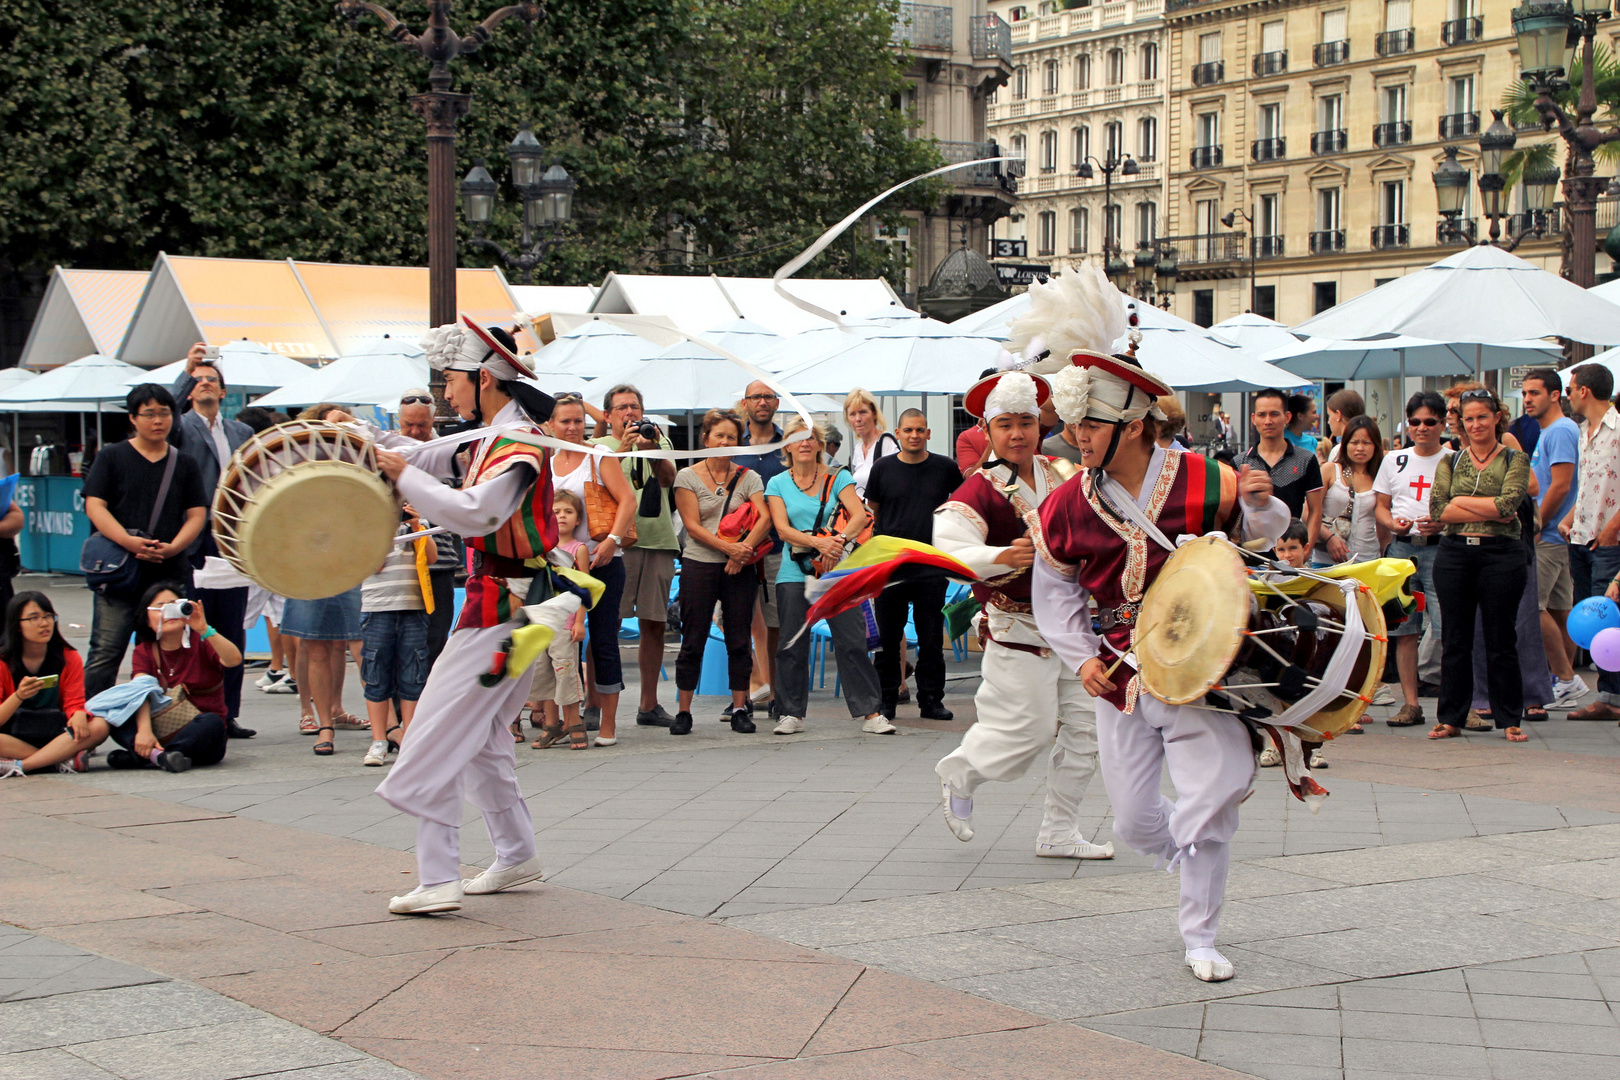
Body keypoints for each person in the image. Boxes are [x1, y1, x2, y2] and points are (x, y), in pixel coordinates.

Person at [1033, 353, 1289, 985]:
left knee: (1210, 797)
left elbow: (1261, 545)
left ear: (1136, 424)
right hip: (1120, 672)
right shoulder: (1065, 503)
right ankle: (1196, 840)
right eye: (1075, 424)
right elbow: (1056, 590)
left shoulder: (1210, 480)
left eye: (1092, 424)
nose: (1079, 437)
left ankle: (1200, 934)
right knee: (1132, 822)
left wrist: (1260, 505)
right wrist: (1082, 658)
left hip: (1204, 664)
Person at [372, 316, 564, 915]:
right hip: (512, 608)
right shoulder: (487, 439)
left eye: (449, 380)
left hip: (507, 612)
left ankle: (437, 876)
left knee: (434, 731)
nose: (443, 392)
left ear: (483, 379)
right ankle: (515, 851)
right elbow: (423, 455)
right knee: (479, 737)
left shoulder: (516, 443)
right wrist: (367, 444)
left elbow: (477, 514)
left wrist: (400, 471)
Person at [933, 371, 1111, 861]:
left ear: (1041, 425)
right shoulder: (977, 490)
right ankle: (961, 772)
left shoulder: (1064, 470)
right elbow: (947, 546)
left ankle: (1059, 829)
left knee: (1087, 731)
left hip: (1076, 632)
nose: (1017, 433)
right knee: (1026, 733)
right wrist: (997, 557)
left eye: (1027, 422)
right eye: (1006, 424)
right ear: (987, 432)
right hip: (1019, 629)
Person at [82, 384, 208, 700]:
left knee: (166, 651)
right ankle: (88, 726)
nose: (158, 421)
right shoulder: (111, 456)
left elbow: (196, 513)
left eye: (164, 413)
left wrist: (175, 547)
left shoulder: (185, 463)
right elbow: (95, 505)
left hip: (168, 574)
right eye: (149, 414)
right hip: (120, 573)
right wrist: (127, 541)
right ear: (133, 418)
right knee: (106, 650)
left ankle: (164, 723)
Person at [766, 418, 890, 736]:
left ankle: (871, 712)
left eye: (811, 438)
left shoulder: (838, 476)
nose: (805, 443)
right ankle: (789, 713)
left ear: (820, 445)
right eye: (798, 438)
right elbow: (782, 529)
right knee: (792, 642)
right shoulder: (777, 483)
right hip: (794, 572)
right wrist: (817, 542)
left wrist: (838, 542)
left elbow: (860, 515)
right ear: (788, 446)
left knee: (852, 640)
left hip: (838, 569)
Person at [1427, 389, 1532, 742]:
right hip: (1455, 553)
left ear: (1497, 417)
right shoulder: (1450, 460)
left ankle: (1509, 718)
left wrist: (1462, 501)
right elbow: (1438, 510)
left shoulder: (1515, 459)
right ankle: (1451, 716)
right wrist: (1477, 505)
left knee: (1500, 637)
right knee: (1455, 639)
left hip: (1501, 555)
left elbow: (1509, 506)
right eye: (1469, 419)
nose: (1475, 425)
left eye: (1482, 417)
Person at [170, 344, 256, 739]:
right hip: (192, 540)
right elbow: (164, 412)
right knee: (193, 630)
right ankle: (193, 710)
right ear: (190, 390)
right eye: (199, 380)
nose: (205, 384)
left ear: (223, 391)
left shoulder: (241, 431)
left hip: (233, 539)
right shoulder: (179, 427)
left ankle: (229, 712)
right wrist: (186, 370)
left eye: (212, 380)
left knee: (231, 630)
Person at [672, 409, 773, 735]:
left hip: (740, 567)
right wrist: (729, 549)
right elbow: (692, 525)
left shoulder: (748, 477)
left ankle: (741, 707)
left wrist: (742, 553)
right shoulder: (687, 476)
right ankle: (684, 710)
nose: (725, 442)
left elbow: (764, 517)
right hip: (700, 564)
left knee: (739, 638)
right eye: (719, 435)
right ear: (706, 439)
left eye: (731, 436)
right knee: (693, 637)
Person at [864, 408, 961, 721]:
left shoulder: (946, 468)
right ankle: (886, 700)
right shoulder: (882, 469)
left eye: (920, 430)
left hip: (931, 565)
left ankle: (931, 700)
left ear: (928, 433)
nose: (914, 436)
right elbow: (874, 510)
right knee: (888, 639)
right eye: (908, 431)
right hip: (891, 565)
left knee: (931, 637)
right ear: (898, 433)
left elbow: (959, 505)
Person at [548, 392, 634, 746]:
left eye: (578, 421)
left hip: (602, 561)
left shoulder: (599, 455)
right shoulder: (547, 461)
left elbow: (628, 498)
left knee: (602, 641)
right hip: (560, 566)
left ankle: (609, 723)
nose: (572, 427)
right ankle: (565, 718)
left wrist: (612, 539)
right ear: (551, 424)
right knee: (560, 642)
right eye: (565, 421)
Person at [592, 384, 679, 729]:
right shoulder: (598, 448)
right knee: (605, 623)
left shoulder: (657, 439)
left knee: (654, 624)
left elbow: (669, 480)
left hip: (656, 540)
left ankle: (649, 703)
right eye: (621, 408)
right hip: (617, 543)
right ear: (607, 415)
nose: (629, 413)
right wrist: (625, 451)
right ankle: (594, 703)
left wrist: (653, 449)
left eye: (634, 407)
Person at [1373, 391, 1448, 728]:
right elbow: (1381, 506)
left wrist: (1445, 521)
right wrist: (1391, 524)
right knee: (1406, 628)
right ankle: (1411, 703)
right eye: (1415, 421)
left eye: (1430, 422)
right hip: (1403, 550)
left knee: (1450, 626)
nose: (1422, 428)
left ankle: (1460, 703)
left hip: (1441, 548)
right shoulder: (1395, 460)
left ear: (1443, 424)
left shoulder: (1454, 459)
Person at [106, 581, 237, 772]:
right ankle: (164, 757)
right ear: (146, 618)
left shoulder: (201, 640)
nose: (169, 612)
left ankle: (150, 757)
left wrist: (205, 629)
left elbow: (233, 660)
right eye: (160, 607)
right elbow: (140, 692)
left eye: (174, 605)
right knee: (115, 717)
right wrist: (144, 731)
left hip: (200, 733)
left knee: (212, 722)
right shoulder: (144, 651)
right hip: (160, 730)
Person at [1521, 368, 1588, 707]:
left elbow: (1561, 484)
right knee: (1562, 610)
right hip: (1558, 534)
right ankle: (1565, 679)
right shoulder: (1553, 430)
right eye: (1524, 393)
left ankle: (1564, 678)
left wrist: (1537, 525)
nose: (1527, 399)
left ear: (1555, 394)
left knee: (1535, 607)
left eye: (1534, 393)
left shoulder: (1560, 430)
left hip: (1549, 534)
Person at [1562, 364, 1620, 722]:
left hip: (1609, 540)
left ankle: (1612, 695)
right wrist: (1569, 520)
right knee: (1593, 617)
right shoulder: (1584, 431)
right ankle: (1609, 692)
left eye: (1570, 389)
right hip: (1582, 537)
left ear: (1584, 390)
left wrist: (1613, 527)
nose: (1568, 395)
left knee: (1608, 619)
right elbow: (1586, 486)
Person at [357, 508, 434, 766]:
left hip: (413, 607)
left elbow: (431, 557)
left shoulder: (418, 524)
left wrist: (414, 527)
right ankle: (379, 739)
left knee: (413, 673)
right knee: (376, 673)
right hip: (377, 608)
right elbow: (373, 565)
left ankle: (411, 738)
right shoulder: (366, 524)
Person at [0, 592, 107, 777]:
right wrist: (18, 696)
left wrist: (78, 714)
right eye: (34, 618)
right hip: (15, 736)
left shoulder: (68, 657)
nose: (44, 623)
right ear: (17, 625)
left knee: (100, 726)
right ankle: (58, 760)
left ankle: (23, 766)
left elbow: (74, 702)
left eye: (49, 616)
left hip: (56, 733)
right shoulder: (3, 662)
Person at [733, 381, 788, 710]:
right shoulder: (732, 444)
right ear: (745, 402)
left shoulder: (790, 444)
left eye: (768, 396)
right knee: (734, 621)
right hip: (737, 549)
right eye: (756, 396)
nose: (762, 402)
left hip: (778, 547)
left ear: (777, 402)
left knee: (776, 622)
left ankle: (777, 694)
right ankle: (743, 694)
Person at [528, 492, 590, 750]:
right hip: (540, 622)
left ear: (578, 519)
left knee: (565, 673)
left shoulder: (579, 549)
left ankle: (574, 722)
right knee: (543, 675)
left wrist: (579, 622)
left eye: (568, 511)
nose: (561, 516)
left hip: (565, 624)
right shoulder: (539, 549)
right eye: (556, 512)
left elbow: (584, 588)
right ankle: (551, 723)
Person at [1245, 389, 1324, 550]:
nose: (1268, 421)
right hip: (1253, 556)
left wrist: (1306, 548)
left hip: (1292, 556)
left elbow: (1316, 510)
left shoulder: (1306, 459)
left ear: (1287, 417)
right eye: (1262, 415)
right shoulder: (1241, 462)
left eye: (1274, 414)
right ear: (1253, 419)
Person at [1315, 415, 1387, 567]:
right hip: (1327, 561)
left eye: (1366, 443)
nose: (1360, 448)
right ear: (1345, 444)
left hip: (1368, 561)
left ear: (1375, 446)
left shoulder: (1381, 476)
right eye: (1354, 442)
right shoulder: (1330, 470)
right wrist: (1329, 538)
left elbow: (1383, 523)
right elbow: (1308, 513)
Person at [843, 388, 898, 497]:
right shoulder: (858, 448)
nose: (858, 419)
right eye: (852, 414)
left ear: (874, 414)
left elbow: (894, 483)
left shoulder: (885, 442)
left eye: (863, 412)